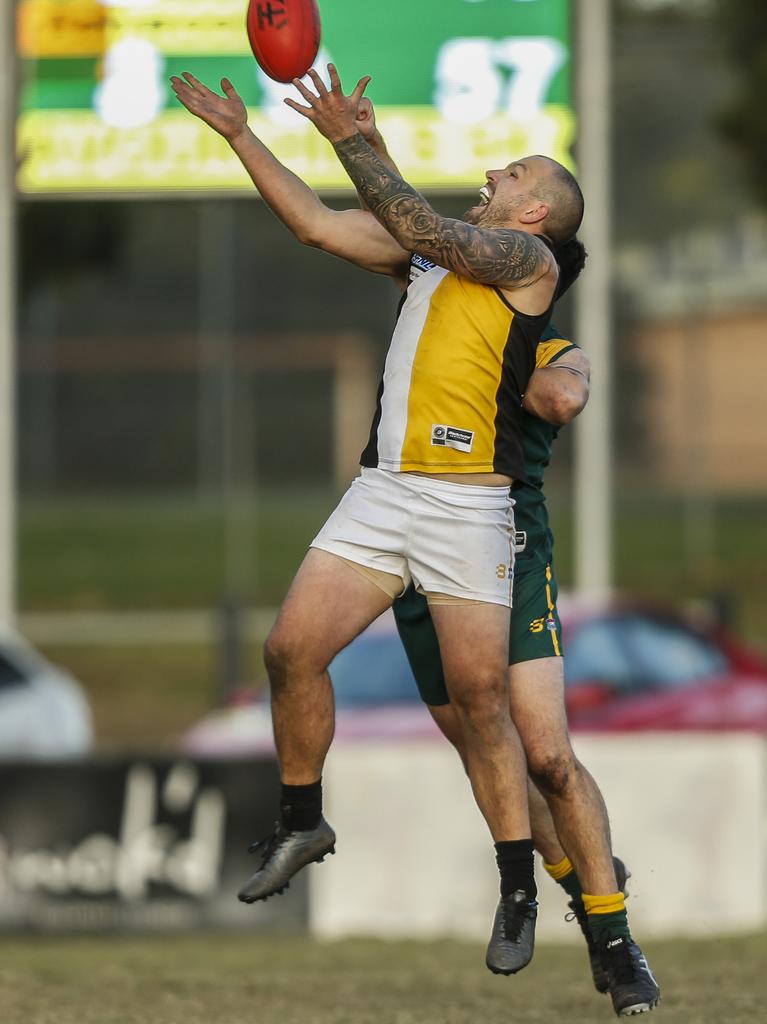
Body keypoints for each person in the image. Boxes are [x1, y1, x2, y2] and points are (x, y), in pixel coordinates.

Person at [170, 67, 657, 1012]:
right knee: (297, 654)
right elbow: (320, 224)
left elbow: (433, 232)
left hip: (484, 516)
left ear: (537, 214)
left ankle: (606, 931)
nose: (493, 172)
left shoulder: (529, 266)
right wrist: (240, 134)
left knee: (540, 750)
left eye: (512, 173)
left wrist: (355, 140)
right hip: (388, 495)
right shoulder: (430, 264)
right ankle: (307, 823)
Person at [393, 312, 660, 1016]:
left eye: (505, 192)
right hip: (421, 562)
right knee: (490, 750)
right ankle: (585, 883)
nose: (487, 196)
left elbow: (561, 398)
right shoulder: (429, 301)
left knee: (548, 757)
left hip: (510, 554)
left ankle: (615, 940)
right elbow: (345, 236)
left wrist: (484, 363)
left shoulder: (553, 348)